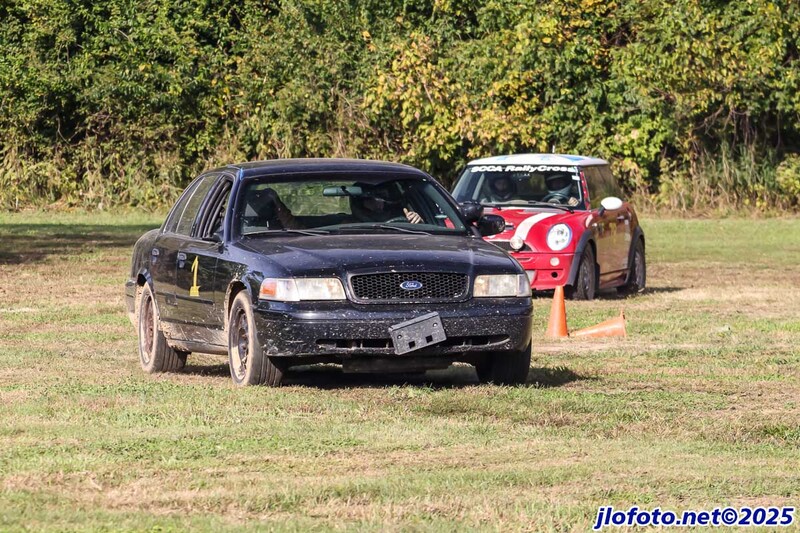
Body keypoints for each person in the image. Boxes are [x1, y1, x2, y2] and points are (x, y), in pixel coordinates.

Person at [349, 183, 423, 224]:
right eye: (371, 199)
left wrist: (417, 221)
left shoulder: (401, 221)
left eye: (383, 197)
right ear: (359, 203)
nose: (378, 203)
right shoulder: (347, 226)